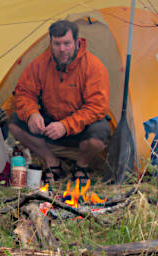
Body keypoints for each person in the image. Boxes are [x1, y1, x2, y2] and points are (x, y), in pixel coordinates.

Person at [9, 20, 110, 185]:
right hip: (50, 125)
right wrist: (32, 114)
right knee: (14, 123)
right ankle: (52, 162)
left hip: (80, 126)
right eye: (57, 44)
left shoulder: (93, 67)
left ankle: (81, 166)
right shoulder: (40, 64)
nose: (62, 49)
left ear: (77, 42)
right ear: (51, 43)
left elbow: (97, 106)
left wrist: (66, 126)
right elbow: (24, 93)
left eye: (66, 43)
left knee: (100, 134)